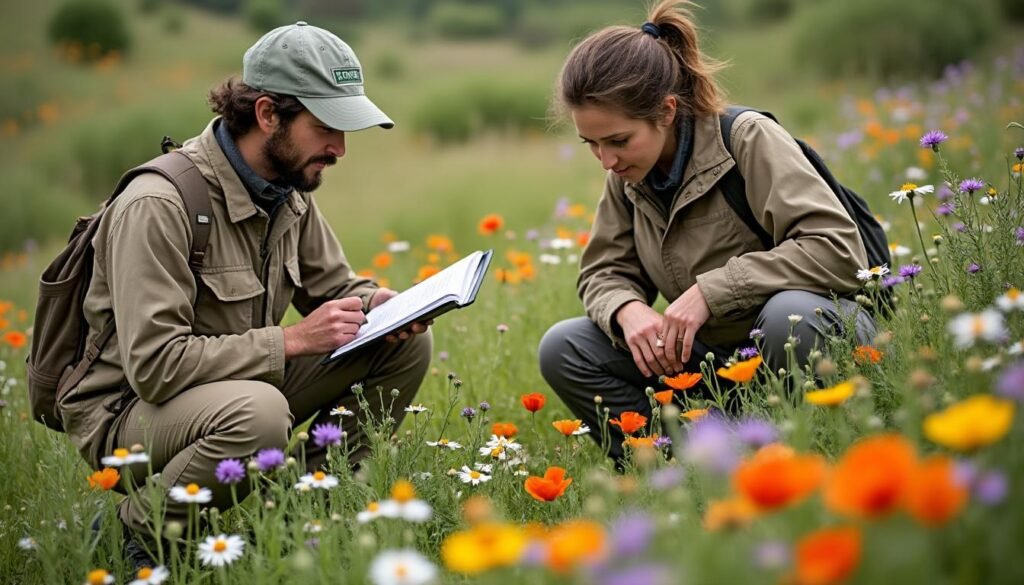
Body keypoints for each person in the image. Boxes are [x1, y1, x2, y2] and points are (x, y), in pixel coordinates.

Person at [59, 22, 432, 564]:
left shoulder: (287, 189)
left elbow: (334, 288)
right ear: (266, 114)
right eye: (327, 125)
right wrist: (293, 341)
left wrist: (379, 303)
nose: (340, 148)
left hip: (234, 388)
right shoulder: (158, 205)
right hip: (130, 415)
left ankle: (294, 516)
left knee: (401, 344)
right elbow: (155, 366)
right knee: (260, 414)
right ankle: (132, 534)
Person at [538, 0, 875, 463]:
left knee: (787, 316)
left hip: (803, 339)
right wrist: (628, 311)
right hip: (708, 363)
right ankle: (685, 472)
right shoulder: (626, 174)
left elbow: (837, 249)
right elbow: (601, 273)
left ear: (667, 110)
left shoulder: (748, 139)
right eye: (590, 143)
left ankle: (795, 457)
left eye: (617, 140)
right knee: (564, 346)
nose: (607, 160)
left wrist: (709, 292)